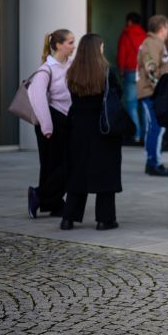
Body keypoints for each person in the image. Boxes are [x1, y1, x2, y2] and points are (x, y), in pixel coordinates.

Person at [62, 33, 124, 231]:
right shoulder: (106, 71)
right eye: (102, 46)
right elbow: (117, 95)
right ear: (98, 49)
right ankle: (105, 219)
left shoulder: (72, 71)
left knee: (78, 173)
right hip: (103, 129)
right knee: (105, 174)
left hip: (78, 129)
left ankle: (68, 218)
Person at [27, 29, 75, 219]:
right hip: (51, 121)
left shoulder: (71, 65)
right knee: (53, 165)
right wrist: (47, 127)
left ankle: (48, 200)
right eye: (70, 42)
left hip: (66, 120)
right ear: (58, 45)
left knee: (64, 165)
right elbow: (37, 98)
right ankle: (44, 198)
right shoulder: (46, 69)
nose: (73, 46)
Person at [137, 14, 168, 177]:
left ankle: (153, 161)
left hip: (154, 92)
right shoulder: (151, 43)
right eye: (167, 27)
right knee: (156, 128)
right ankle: (153, 162)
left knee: (157, 128)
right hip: (151, 92)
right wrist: (161, 89)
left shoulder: (156, 43)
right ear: (161, 28)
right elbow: (151, 69)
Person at [116, 13, 145, 146]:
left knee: (131, 105)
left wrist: (121, 69)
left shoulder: (126, 34)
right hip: (143, 72)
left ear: (129, 22)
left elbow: (122, 52)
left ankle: (136, 134)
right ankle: (146, 134)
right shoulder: (145, 35)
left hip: (130, 71)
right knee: (144, 105)